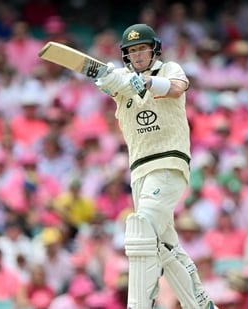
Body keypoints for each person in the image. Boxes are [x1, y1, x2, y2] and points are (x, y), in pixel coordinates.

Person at [94, 23, 217, 309]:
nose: (137, 55)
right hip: (139, 170)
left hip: (168, 161)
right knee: (163, 244)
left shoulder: (169, 69)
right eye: (132, 51)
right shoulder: (123, 82)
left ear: (154, 49)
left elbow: (177, 89)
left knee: (142, 228)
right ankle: (200, 304)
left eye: (142, 49)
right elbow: (113, 84)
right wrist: (107, 79)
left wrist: (149, 83)